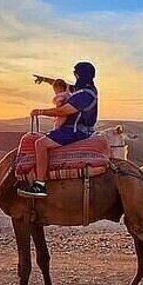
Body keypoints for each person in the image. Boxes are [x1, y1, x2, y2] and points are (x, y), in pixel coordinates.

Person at [18, 62, 99, 198]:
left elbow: (64, 111)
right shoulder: (85, 90)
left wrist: (40, 112)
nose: (75, 77)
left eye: (76, 74)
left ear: (80, 75)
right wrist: (45, 80)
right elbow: (62, 86)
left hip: (75, 131)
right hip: (77, 129)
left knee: (40, 144)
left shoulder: (85, 95)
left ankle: (40, 185)